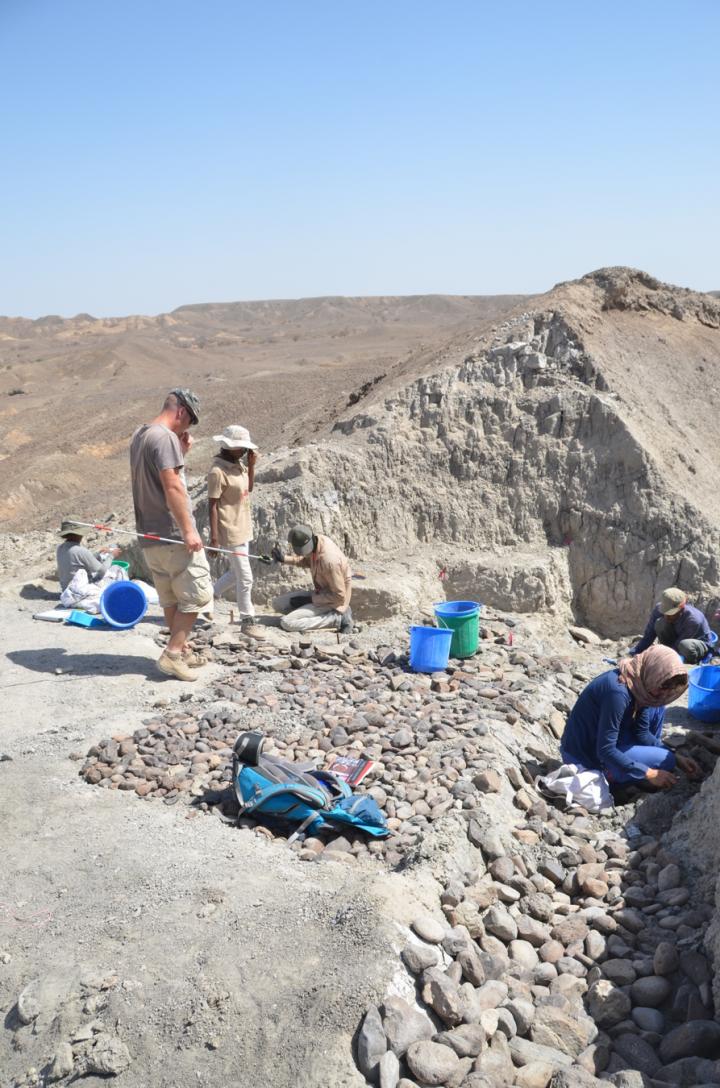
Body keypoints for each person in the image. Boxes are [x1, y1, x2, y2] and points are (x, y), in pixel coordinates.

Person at [129, 388, 213, 681]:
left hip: (149, 534)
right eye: (189, 421)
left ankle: (184, 648)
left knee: (171, 597)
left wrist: (182, 452)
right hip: (172, 532)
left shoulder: (140, 435)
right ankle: (173, 655)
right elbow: (173, 486)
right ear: (181, 413)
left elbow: (155, 477)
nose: (187, 428)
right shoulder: (165, 438)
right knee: (198, 594)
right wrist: (189, 530)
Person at [560, 645, 700, 791]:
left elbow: (642, 733)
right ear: (652, 671)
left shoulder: (641, 686)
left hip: (603, 739)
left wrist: (676, 756)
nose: (664, 693)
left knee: (658, 711)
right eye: (663, 685)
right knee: (665, 761)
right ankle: (611, 779)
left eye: (670, 688)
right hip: (583, 755)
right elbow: (605, 748)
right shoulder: (618, 693)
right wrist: (648, 773)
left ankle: (629, 771)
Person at [208, 424, 264, 639]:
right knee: (246, 577)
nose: (243, 451)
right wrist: (214, 539)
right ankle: (247, 620)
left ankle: (210, 595)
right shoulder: (217, 471)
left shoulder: (237, 465)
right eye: (240, 447)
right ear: (228, 447)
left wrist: (251, 465)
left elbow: (247, 488)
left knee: (236, 572)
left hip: (243, 526)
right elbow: (212, 504)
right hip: (230, 529)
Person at [272, 524, 353, 633]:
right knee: (277, 604)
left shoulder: (329, 561)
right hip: (322, 593)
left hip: (334, 601)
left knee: (287, 623)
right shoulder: (317, 542)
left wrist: (308, 600)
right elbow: (306, 561)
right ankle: (310, 616)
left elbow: (339, 597)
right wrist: (283, 559)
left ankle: (337, 618)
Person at [630, 587, 712, 664]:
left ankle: (690, 663)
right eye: (665, 613)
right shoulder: (658, 609)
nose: (667, 617)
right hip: (677, 640)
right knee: (660, 623)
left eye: (671, 614)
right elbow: (649, 635)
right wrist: (635, 653)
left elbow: (678, 646)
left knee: (684, 645)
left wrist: (660, 660)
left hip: (695, 646)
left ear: (681, 609)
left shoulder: (693, 620)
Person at [56, 520, 121, 591]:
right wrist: (112, 555)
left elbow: (80, 559)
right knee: (117, 570)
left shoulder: (60, 548)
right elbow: (102, 571)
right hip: (80, 590)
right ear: (79, 534)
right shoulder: (81, 551)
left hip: (66, 590)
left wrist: (98, 553)